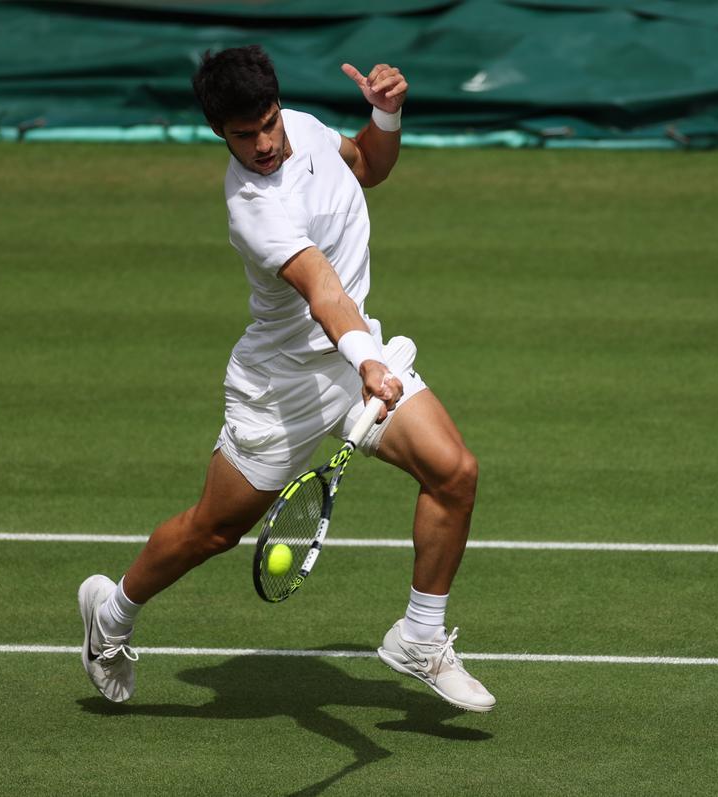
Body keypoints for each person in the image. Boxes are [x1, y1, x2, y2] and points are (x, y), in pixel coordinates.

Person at [77, 45, 495, 713]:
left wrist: (384, 120)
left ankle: (419, 635)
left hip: (358, 357)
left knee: (455, 472)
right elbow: (323, 291)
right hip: (280, 385)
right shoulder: (253, 207)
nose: (264, 143)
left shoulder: (303, 127)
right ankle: (113, 609)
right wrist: (368, 361)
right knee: (214, 530)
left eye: (268, 123)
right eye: (244, 135)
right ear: (220, 132)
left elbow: (367, 168)